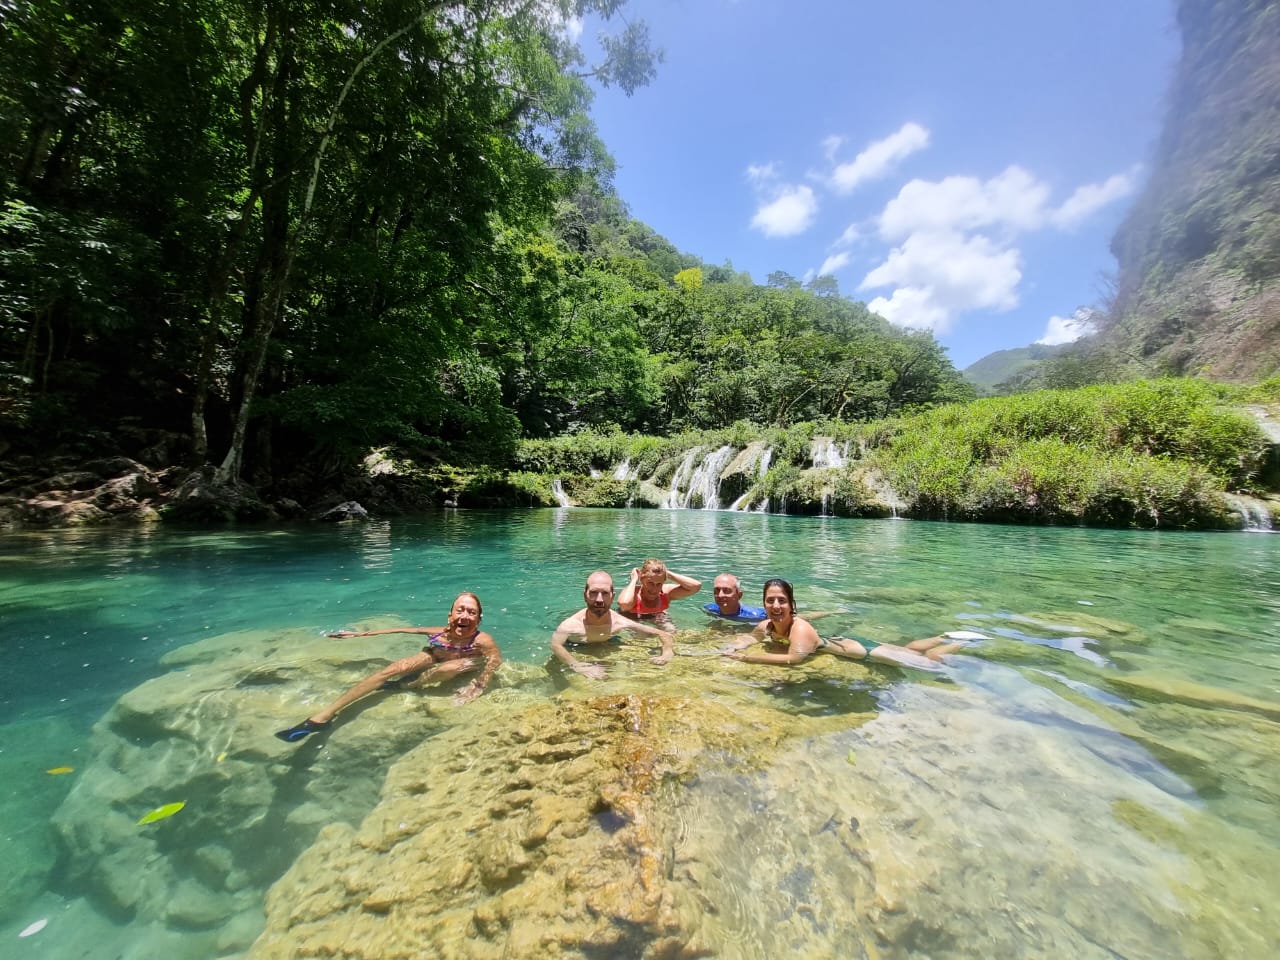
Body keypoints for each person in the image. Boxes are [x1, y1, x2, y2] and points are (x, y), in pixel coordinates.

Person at [275, 592, 501, 742]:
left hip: (462, 663)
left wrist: (477, 686)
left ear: (478, 620)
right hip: (436, 654)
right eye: (460, 610)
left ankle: (408, 685)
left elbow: (494, 661)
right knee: (390, 669)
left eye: (471, 612)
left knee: (450, 668)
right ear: (450, 615)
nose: (465, 615)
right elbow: (401, 630)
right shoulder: (439, 633)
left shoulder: (484, 640)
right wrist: (358, 634)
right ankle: (322, 717)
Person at [719, 578, 979, 670]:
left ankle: (959, 642)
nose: (776, 606)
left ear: (791, 604)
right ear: (764, 603)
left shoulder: (801, 628)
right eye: (770, 601)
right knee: (910, 649)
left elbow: (792, 660)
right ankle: (944, 635)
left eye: (781, 601)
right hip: (851, 645)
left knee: (930, 663)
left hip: (865, 653)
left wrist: (747, 659)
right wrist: (732, 646)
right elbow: (749, 638)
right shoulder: (766, 626)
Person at [551, 571, 675, 680]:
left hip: (609, 643)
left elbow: (663, 633)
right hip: (575, 647)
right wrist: (578, 666)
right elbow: (556, 645)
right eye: (593, 593)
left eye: (605, 593)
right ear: (585, 595)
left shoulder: (620, 622)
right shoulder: (571, 625)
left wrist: (667, 651)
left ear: (612, 597)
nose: (599, 599)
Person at [617, 559, 702, 627]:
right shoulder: (633, 592)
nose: (654, 589)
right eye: (650, 583)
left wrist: (667, 574)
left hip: (657, 616)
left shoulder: (666, 592)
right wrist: (634, 580)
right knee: (642, 635)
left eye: (659, 584)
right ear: (642, 579)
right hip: (633, 618)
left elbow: (695, 587)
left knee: (670, 629)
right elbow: (624, 604)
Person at [702, 572, 767, 624]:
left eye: (726, 591)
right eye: (717, 590)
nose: (720, 595)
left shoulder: (757, 616)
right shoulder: (709, 609)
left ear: (739, 595)